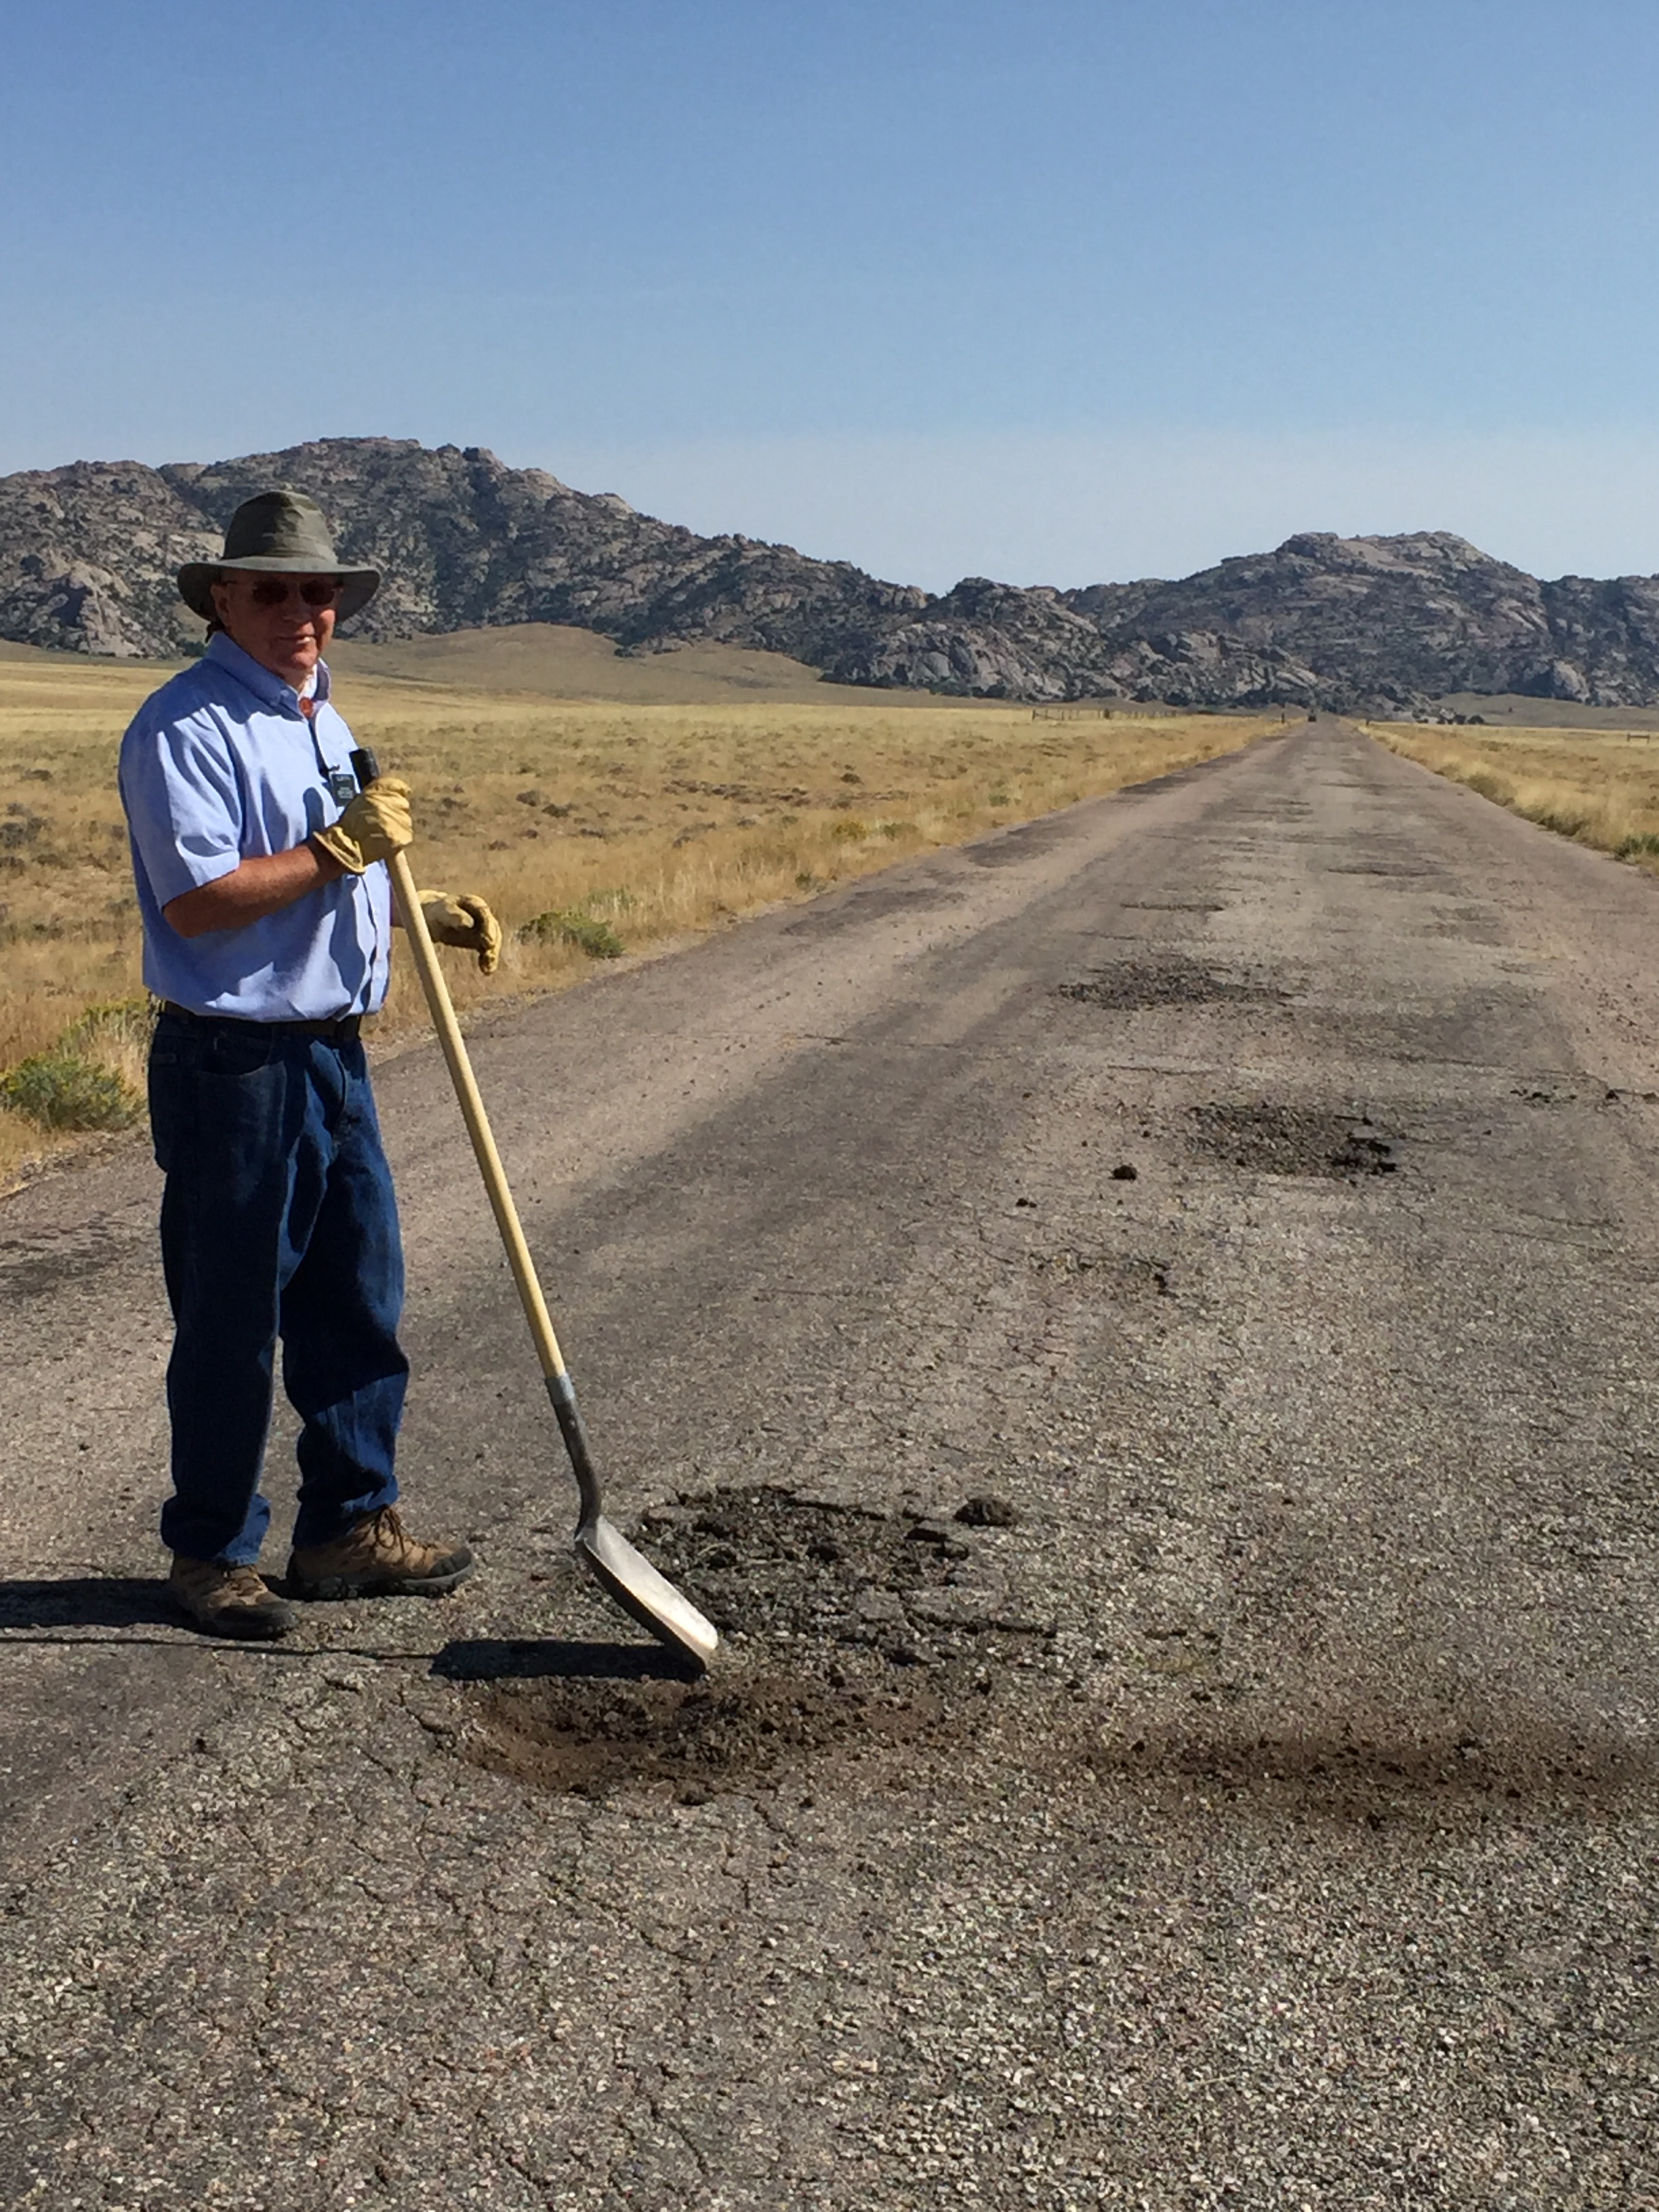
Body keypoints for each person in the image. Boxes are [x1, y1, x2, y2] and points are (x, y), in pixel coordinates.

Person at [119, 489, 503, 1641]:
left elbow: (327, 876)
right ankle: (211, 1553)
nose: (301, 611)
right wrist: (341, 850)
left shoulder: (320, 718)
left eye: (318, 592)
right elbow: (200, 902)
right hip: (235, 1067)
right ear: (221, 599)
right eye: (273, 590)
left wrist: (416, 908)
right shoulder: (184, 727)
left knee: (357, 1300)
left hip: (334, 1056)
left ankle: (348, 1526)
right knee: (233, 1318)